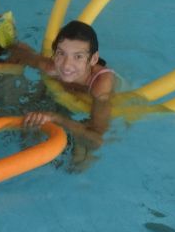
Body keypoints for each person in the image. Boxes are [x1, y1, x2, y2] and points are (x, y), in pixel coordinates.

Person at [11, 20, 115, 148]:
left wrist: (56, 118)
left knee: (81, 154)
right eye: (61, 53)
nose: (66, 65)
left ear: (93, 59)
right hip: (65, 96)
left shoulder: (101, 85)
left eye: (78, 56)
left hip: (98, 102)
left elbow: (96, 140)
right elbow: (21, 54)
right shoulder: (51, 68)